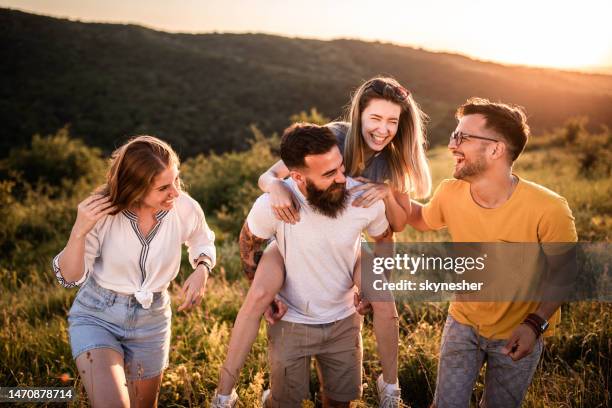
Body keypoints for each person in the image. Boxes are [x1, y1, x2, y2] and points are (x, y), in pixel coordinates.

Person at [214, 76, 432, 407]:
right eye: (375, 118)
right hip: (293, 241)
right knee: (259, 293)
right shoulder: (335, 136)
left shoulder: (392, 159)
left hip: (347, 241)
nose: (383, 129)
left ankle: (390, 387)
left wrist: (386, 193)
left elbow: (396, 226)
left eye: (392, 121)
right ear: (359, 115)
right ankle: (224, 394)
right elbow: (272, 175)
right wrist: (275, 188)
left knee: (383, 298)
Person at [404, 98, 577, 408]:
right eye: (454, 135)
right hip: (463, 323)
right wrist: (387, 191)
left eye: (462, 137)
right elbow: (421, 219)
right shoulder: (449, 193)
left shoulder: (549, 209)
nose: (451, 144)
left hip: (520, 330)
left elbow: (564, 273)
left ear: (496, 149)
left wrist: (535, 324)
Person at [52, 135, 216, 408]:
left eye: (176, 180)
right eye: (164, 187)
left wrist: (202, 268)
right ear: (135, 188)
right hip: (98, 316)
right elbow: (69, 278)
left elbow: (202, 239)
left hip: (153, 319)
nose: (175, 192)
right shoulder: (102, 213)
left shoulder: (184, 207)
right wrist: (79, 231)